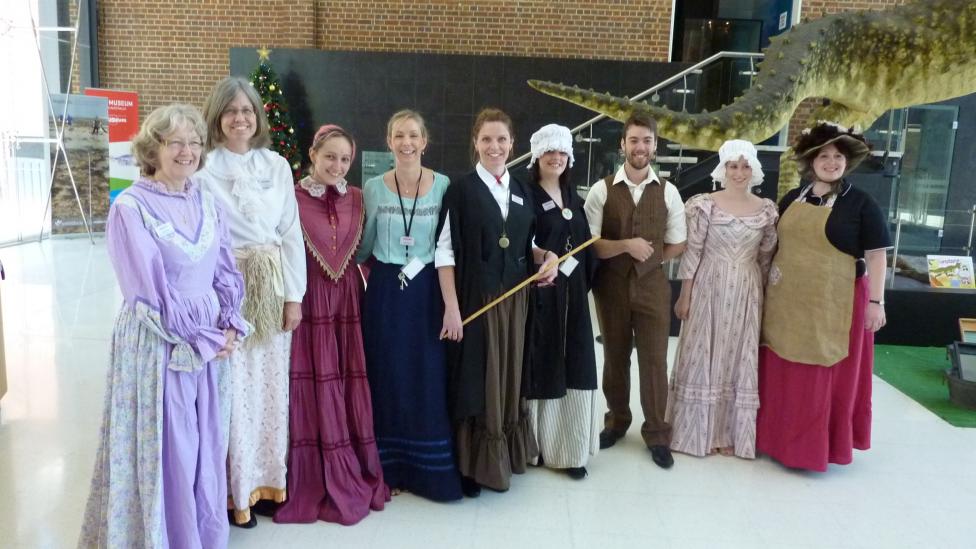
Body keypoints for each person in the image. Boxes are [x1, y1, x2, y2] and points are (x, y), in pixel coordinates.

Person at [79, 103, 248, 548]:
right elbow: (148, 293)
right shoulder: (131, 207)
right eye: (176, 142)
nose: (187, 151)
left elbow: (225, 270)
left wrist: (229, 324)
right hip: (162, 346)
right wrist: (208, 338)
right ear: (153, 148)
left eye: (194, 142)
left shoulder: (206, 199)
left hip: (211, 348)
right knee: (170, 449)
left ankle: (202, 536)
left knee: (207, 445)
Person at [198, 76, 306, 528]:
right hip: (229, 288)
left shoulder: (277, 165)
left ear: (258, 116)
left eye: (247, 110)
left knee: (269, 390)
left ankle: (266, 483)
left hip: (272, 284)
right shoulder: (203, 169)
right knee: (233, 392)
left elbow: (290, 233)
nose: (240, 118)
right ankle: (233, 492)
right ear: (217, 118)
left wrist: (293, 297)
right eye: (230, 111)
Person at [757, 122, 891, 472]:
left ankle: (810, 450)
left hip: (832, 306)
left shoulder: (861, 203)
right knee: (782, 372)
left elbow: (877, 255)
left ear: (846, 162)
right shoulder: (791, 198)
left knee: (816, 377)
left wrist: (876, 303)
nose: (831, 162)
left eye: (838, 156)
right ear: (811, 161)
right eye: (824, 156)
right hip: (786, 304)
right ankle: (774, 440)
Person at [435, 107, 555, 497]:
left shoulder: (521, 190)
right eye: (486, 139)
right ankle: (474, 466)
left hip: (516, 302)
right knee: (480, 379)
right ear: (475, 142)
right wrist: (452, 309)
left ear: (512, 144)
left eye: (501, 139)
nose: (494, 146)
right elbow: (445, 254)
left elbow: (528, 244)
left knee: (508, 376)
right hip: (477, 301)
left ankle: (504, 457)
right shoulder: (461, 190)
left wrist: (547, 257)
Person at [274, 124, 389, 525]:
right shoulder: (289, 195)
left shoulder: (357, 198)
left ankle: (349, 464)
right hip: (307, 304)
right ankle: (308, 475)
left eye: (344, 160)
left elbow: (371, 248)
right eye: (330, 157)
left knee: (344, 380)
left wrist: (365, 279)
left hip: (345, 306)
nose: (337, 166)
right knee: (311, 382)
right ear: (313, 153)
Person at [358, 110, 463, 501]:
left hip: (426, 292)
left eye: (413, 135)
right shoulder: (372, 187)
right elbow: (364, 245)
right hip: (386, 290)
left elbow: (446, 245)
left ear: (424, 142)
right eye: (399, 134)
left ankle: (426, 469)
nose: (406, 142)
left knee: (425, 375)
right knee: (386, 374)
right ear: (389, 141)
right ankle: (388, 467)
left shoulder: (443, 185)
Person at [583, 112, 687, 469]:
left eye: (646, 141)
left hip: (653, 285)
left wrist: (651, 260)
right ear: (622, 145)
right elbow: (593, 244)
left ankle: (657, 433)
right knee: (614, 356)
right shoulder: (601, 189)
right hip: (609, 286)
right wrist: (627, 245)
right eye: (633, 140)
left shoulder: (669, 192)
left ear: (655, 146)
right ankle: (616, 422)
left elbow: (678, 243)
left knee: (655, 360)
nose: (640, 147)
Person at [665, 140, 778, 459]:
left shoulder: (766, 210)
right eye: (732, 165)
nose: (739, 172)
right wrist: (684, 294)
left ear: (754, 169)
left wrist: (766, 298)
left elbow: (767, 256)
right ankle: (694, 431)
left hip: (746, 290)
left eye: (744, 166)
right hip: (707, 287)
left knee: (737, 356)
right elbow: (693, 252)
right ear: (723, 168)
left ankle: (728, 433)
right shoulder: (704, 205)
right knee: (702, 352)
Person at [523, 124, 599, 479]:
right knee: (546, 364)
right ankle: (539, 447)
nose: (556, 158)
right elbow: (522, 246)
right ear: (538, 155)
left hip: (574, 301)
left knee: (578, 365)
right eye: (549, 151)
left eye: (562, 152)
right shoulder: (524, 195)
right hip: (543, 300)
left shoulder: (576, 199)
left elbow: (587, 249)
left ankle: (571, 450)